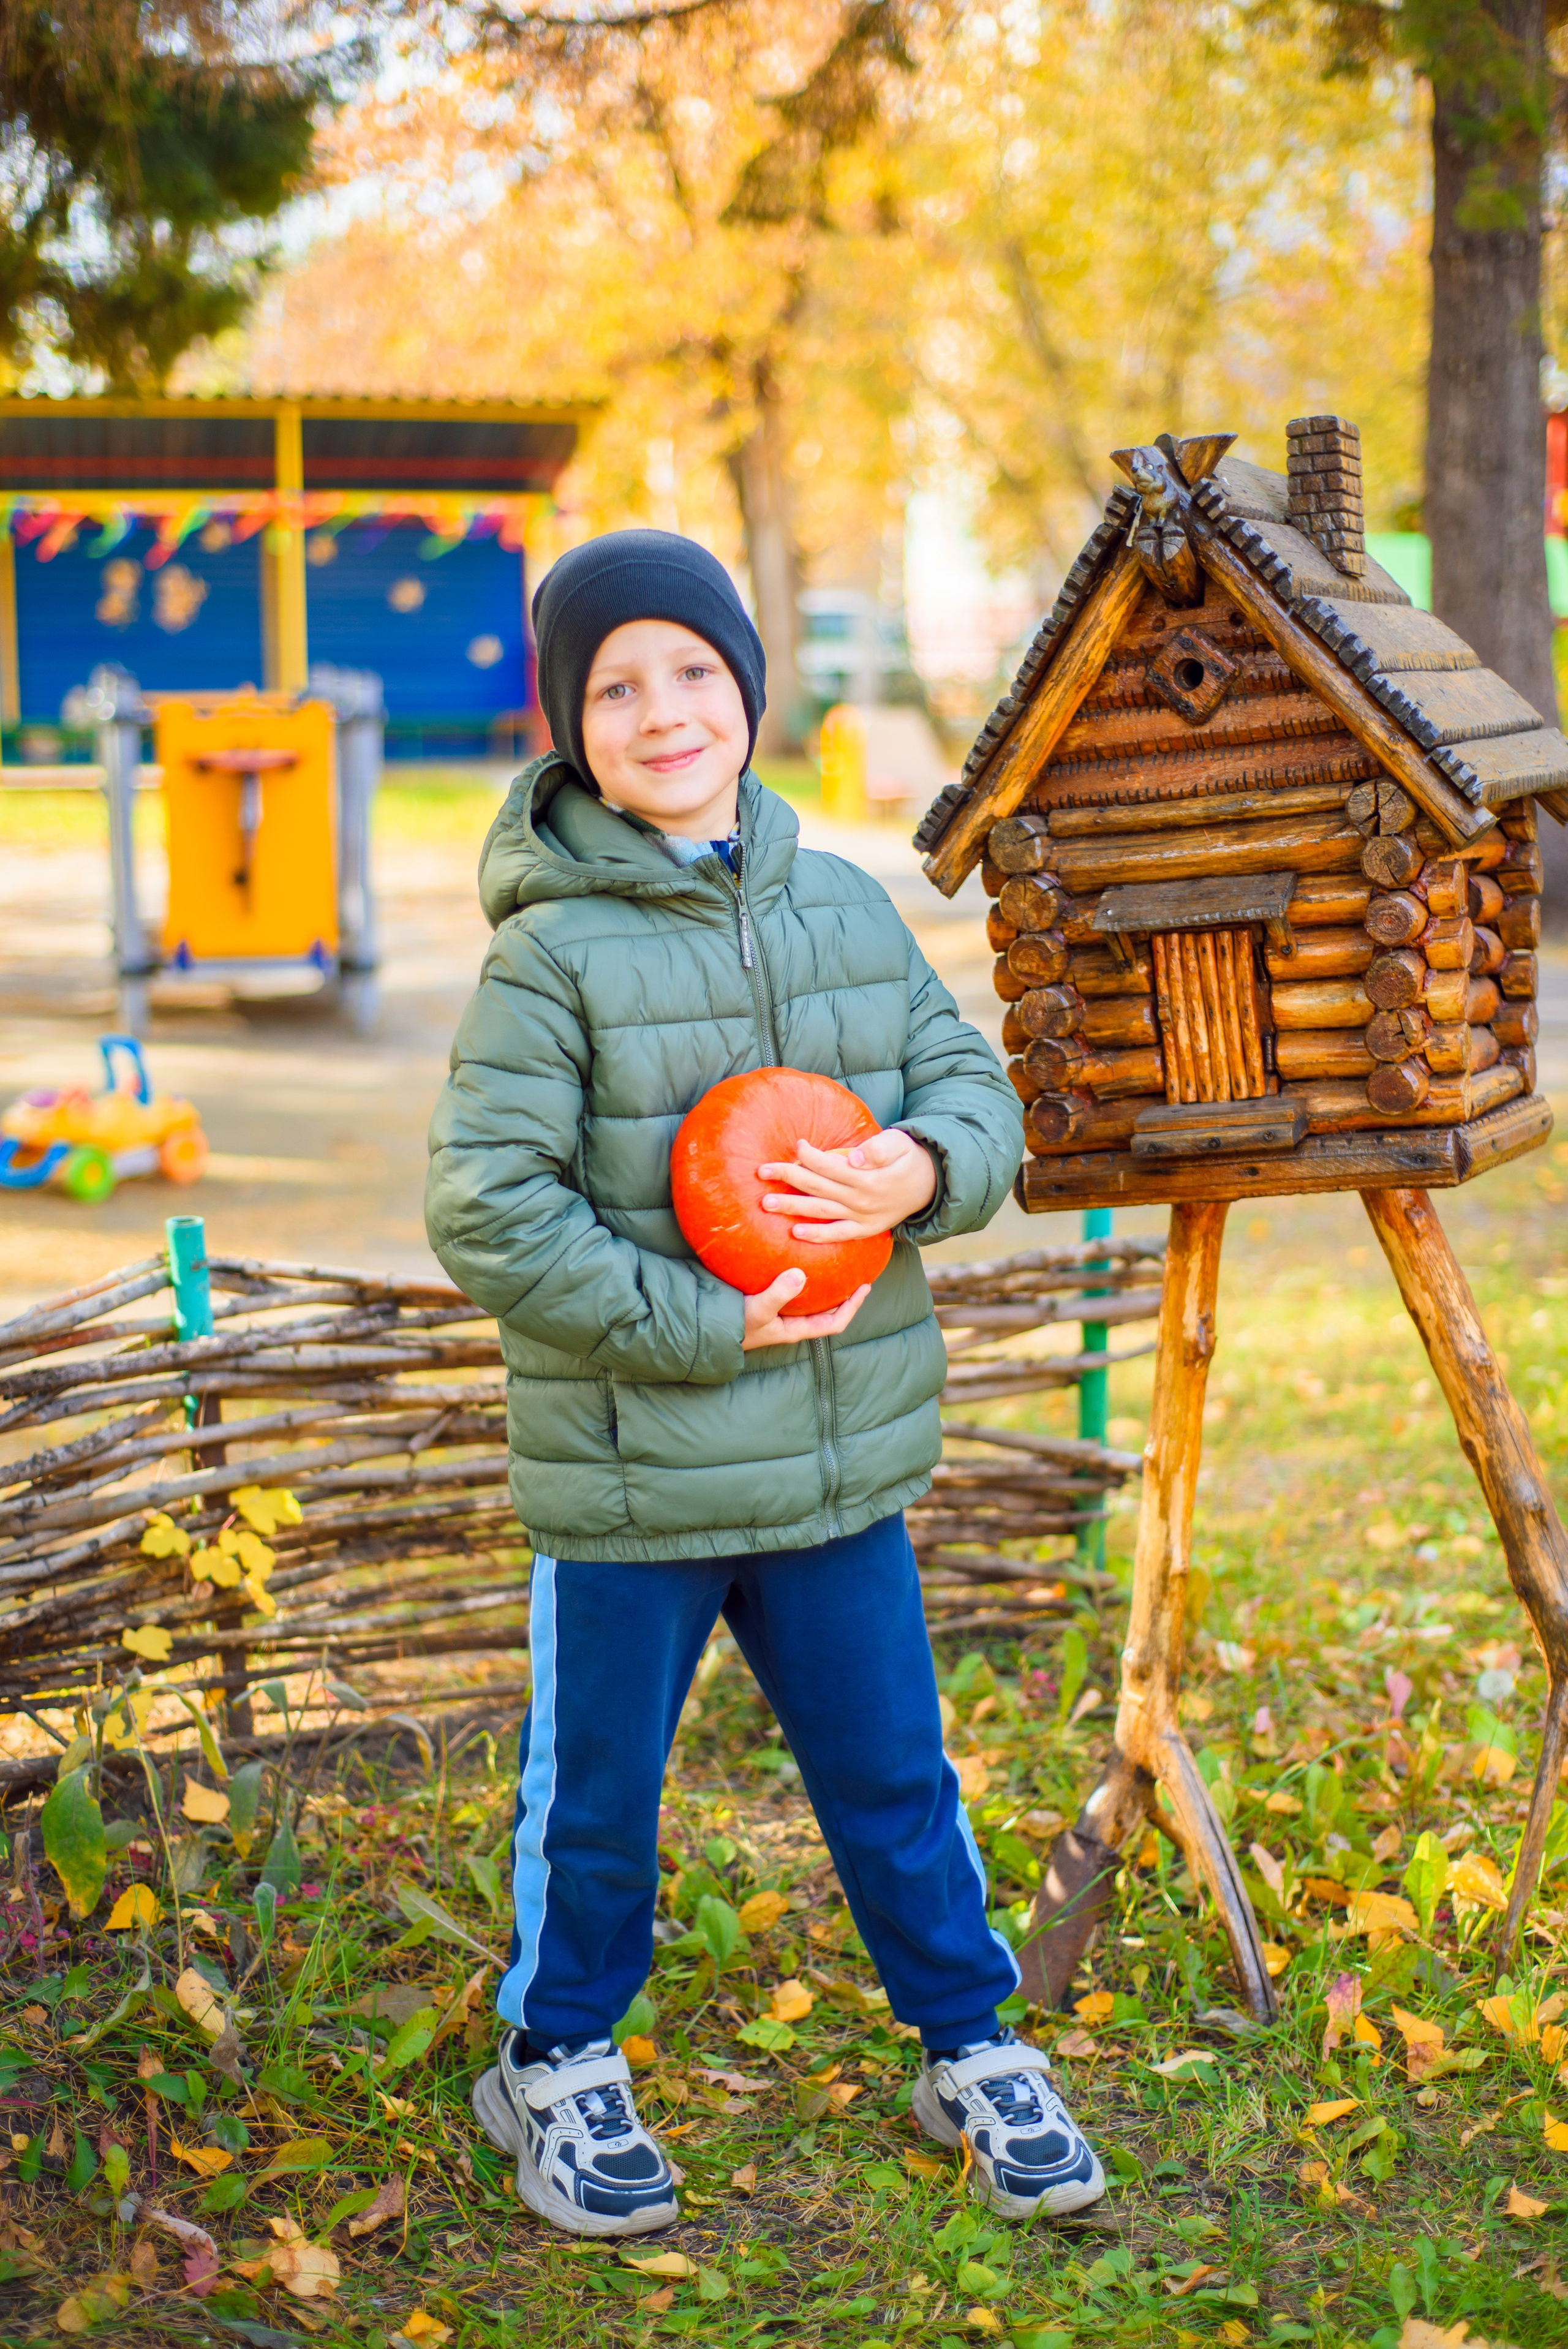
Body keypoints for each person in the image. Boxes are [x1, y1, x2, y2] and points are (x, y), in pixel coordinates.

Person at [425, 529, 1106, 2238]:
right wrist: (701, 1325)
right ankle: (555, 2057)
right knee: (597, 1804)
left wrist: (920, 1166)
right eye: (615, 688)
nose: (663, 711)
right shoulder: (551, 956)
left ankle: (971, 2041)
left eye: (693, 671)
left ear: (747, 685)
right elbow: (488, 1206)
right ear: (571, 728)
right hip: (634, 1477)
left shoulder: (847, 906)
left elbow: (976, 1093)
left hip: (834, 1463)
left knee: (895, 1778)